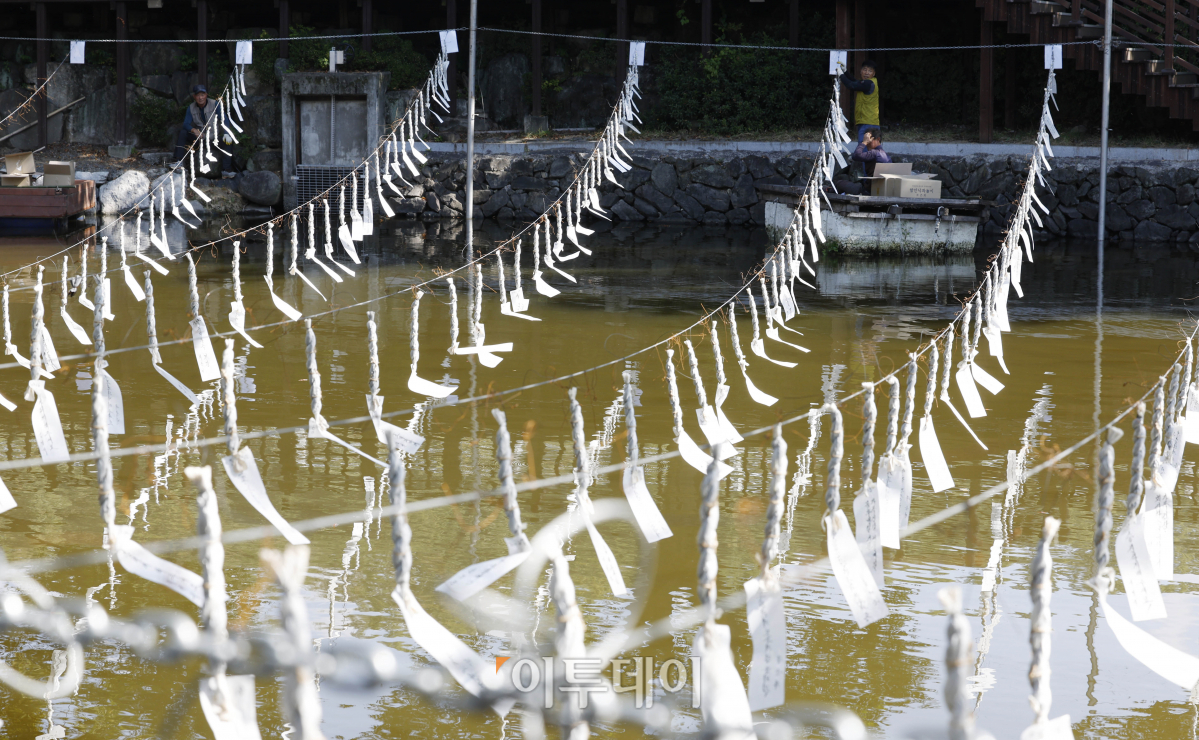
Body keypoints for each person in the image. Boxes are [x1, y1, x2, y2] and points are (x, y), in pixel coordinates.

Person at [174, 84, 233, 175]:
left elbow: (224, 119)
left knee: (227, 141)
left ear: (206, 95)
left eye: (202, 95)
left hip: (213, 139)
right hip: (200, 139)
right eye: (198, 95)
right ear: (194, 96)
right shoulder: (191, 107)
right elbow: (185, 124)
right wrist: (194, 130)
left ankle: (226, 170)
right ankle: (178, 162)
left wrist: (226, 133)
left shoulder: (214, 104)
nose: (200, 98)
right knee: (183, 133)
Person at [839, 59, 880, 145]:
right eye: (864, 70)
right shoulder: (867, 83)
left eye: (870, 71)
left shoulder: (869, 84)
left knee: (864, 151)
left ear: (874, 74)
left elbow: (851, 85)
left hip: (868, 123)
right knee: (871, 151)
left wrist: (841, 75)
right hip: (868, 121)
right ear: (860, 71)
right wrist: (845, 72)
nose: (866, 73)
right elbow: (855, 82)